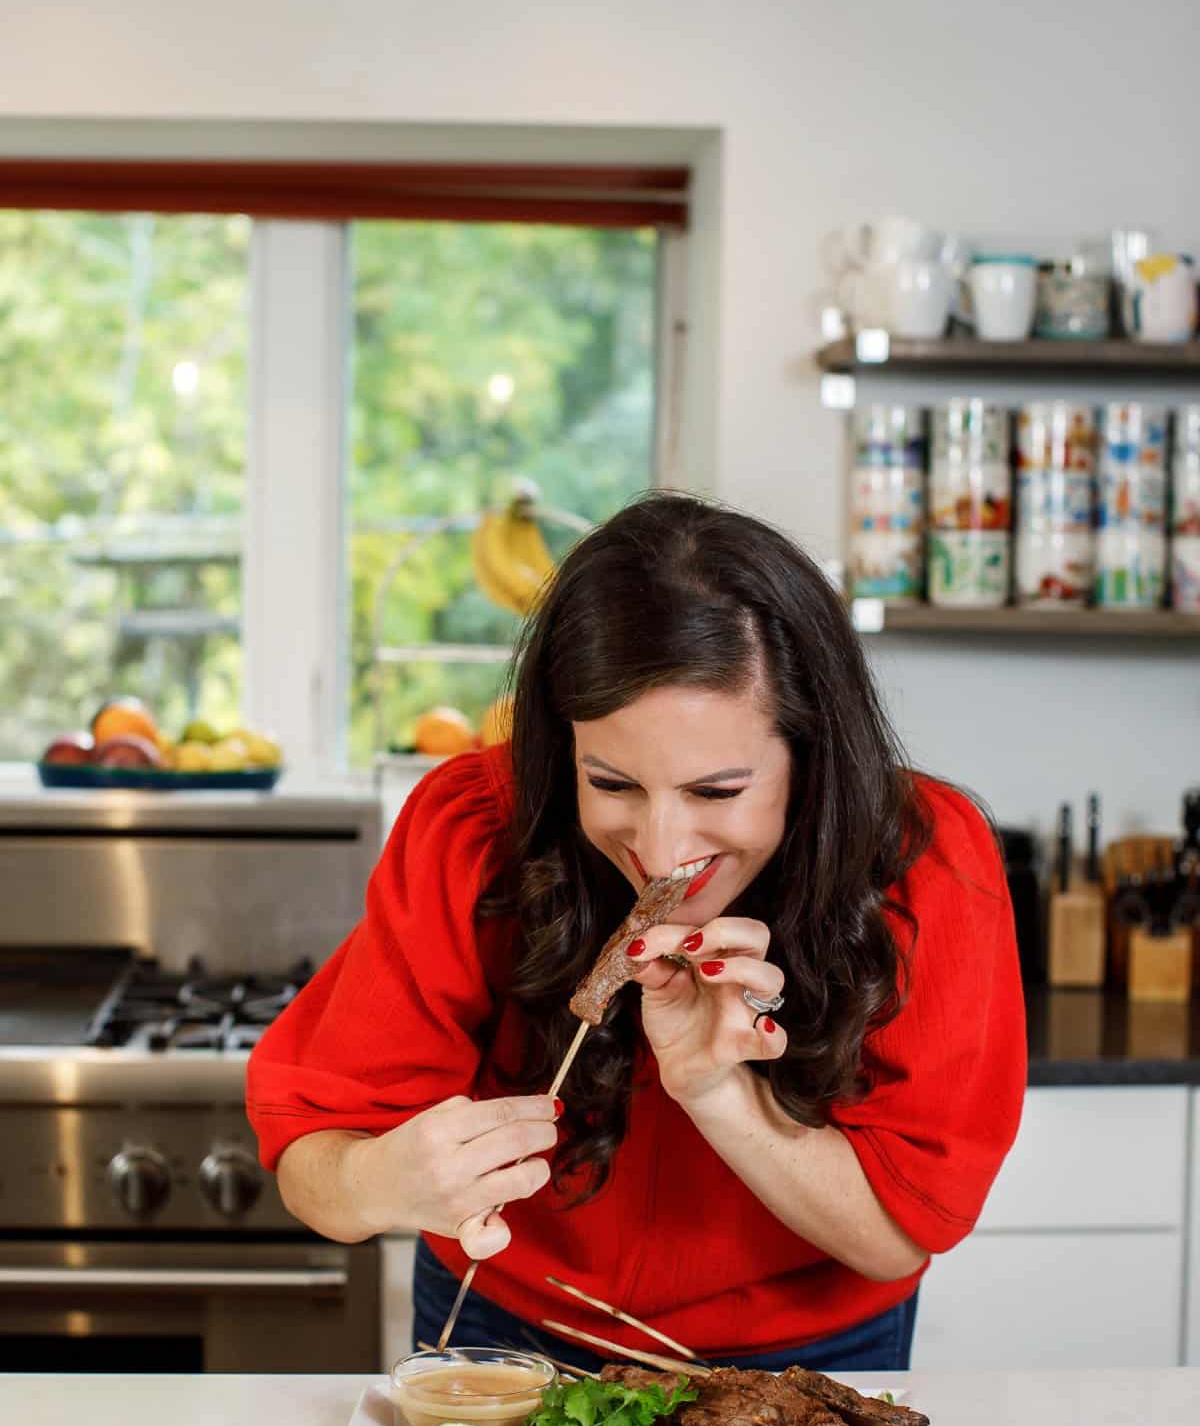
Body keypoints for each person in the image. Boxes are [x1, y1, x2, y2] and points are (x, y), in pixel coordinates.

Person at [246, 492, 1025, 1373]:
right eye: (611, 783)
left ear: (811, 752)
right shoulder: (472, 827)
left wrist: (720, 1094)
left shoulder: (926, 861)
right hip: (509, 1336)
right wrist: (378, 1181)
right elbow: (314, 1161)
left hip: (809, 1356)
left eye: (716, 791)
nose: (660, 848)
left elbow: (893, 1242)